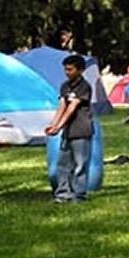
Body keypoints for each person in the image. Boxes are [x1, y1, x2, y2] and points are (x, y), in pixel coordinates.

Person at [45, 55, 93, 203]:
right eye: (65, 69)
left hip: (81, 130)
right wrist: (53, 125)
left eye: (70, 69)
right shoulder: (65, 86)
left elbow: (72, 107)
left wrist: (59, 126)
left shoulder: (84, 87)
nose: (67, 72)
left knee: (80, 164)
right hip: (68, 132)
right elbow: (62, 106)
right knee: (63, 164)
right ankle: (63, 194)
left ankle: (79, 195)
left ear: (80, 70)